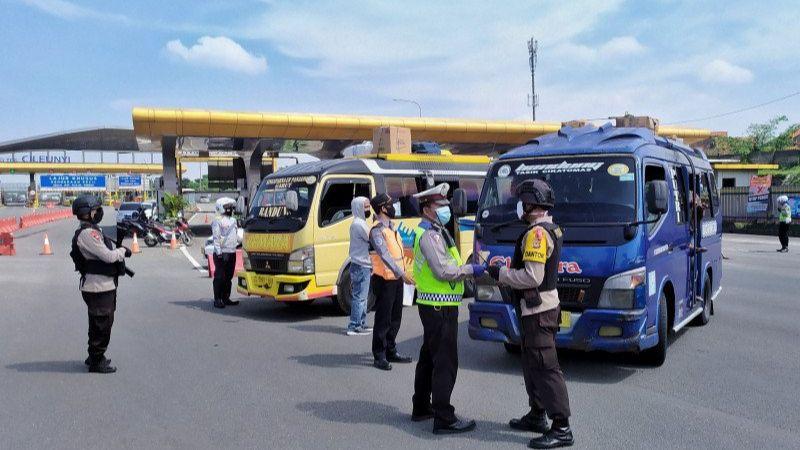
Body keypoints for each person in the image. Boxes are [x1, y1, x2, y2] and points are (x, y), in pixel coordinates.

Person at [486, 179, 574, 449]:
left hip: (538, 310)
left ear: (531, 204)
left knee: (545, 367)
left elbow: (532, 277)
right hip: (536, 309)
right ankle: (537, 415)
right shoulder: (550, 227)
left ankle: (561, 427)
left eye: (522, 201)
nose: (519, 207)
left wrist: (501, 274)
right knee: (532, 363)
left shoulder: (537, 234)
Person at [411, 183, 484, 434]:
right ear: (427, 209)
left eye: (446, 204)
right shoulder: (430, 235)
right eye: (440, 205)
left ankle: (421, 407)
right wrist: (471, 269)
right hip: (439, 306)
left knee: (429, 358)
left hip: (436, 305)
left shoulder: (436, 230)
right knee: (445, 362)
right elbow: (443, 271)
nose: (446, 208)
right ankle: (444, 417)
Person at [70, 195, 132, 374]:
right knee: (102, 324)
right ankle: (97, 360)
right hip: (98, 287)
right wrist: (121, 251)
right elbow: (108, 256)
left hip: (102, 285)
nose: (99, 213)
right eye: (96, 210)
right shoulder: (88, 234)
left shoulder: (91, 230)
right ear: (87, 213)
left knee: (99, 323)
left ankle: (94, 356)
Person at [369, 193, 415, 370]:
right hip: (384, 280)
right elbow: (384, 255)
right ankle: (379, 354)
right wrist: (401, 274)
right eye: (390, 204)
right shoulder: (377, 230)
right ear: (382, 208)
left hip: (396, 279)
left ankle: (391, 349)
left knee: (396, 317)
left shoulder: (392, 228)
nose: (393, 206)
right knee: (383, 318)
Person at [346, 196, 373, 336]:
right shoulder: (359, 224)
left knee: (363, 296)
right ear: (358, 207)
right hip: (361, 264)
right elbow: (372, 238)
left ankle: (361, 323)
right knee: (360, 297)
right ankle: (354, 325)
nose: (368, 209)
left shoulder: (360, 222)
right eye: (366, 207)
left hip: (362, 264)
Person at [212, 197, 239, 309]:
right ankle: (217, 299)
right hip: (222, 253)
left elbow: (236, 235)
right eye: (227, 207)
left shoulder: (233, 220)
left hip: (232, 251)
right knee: (219, 276)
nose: (230, 209)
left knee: (229, 276)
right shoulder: (217, 221)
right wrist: (219, 252)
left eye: (230, 207)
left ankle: (226, 298)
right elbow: (216, 237)